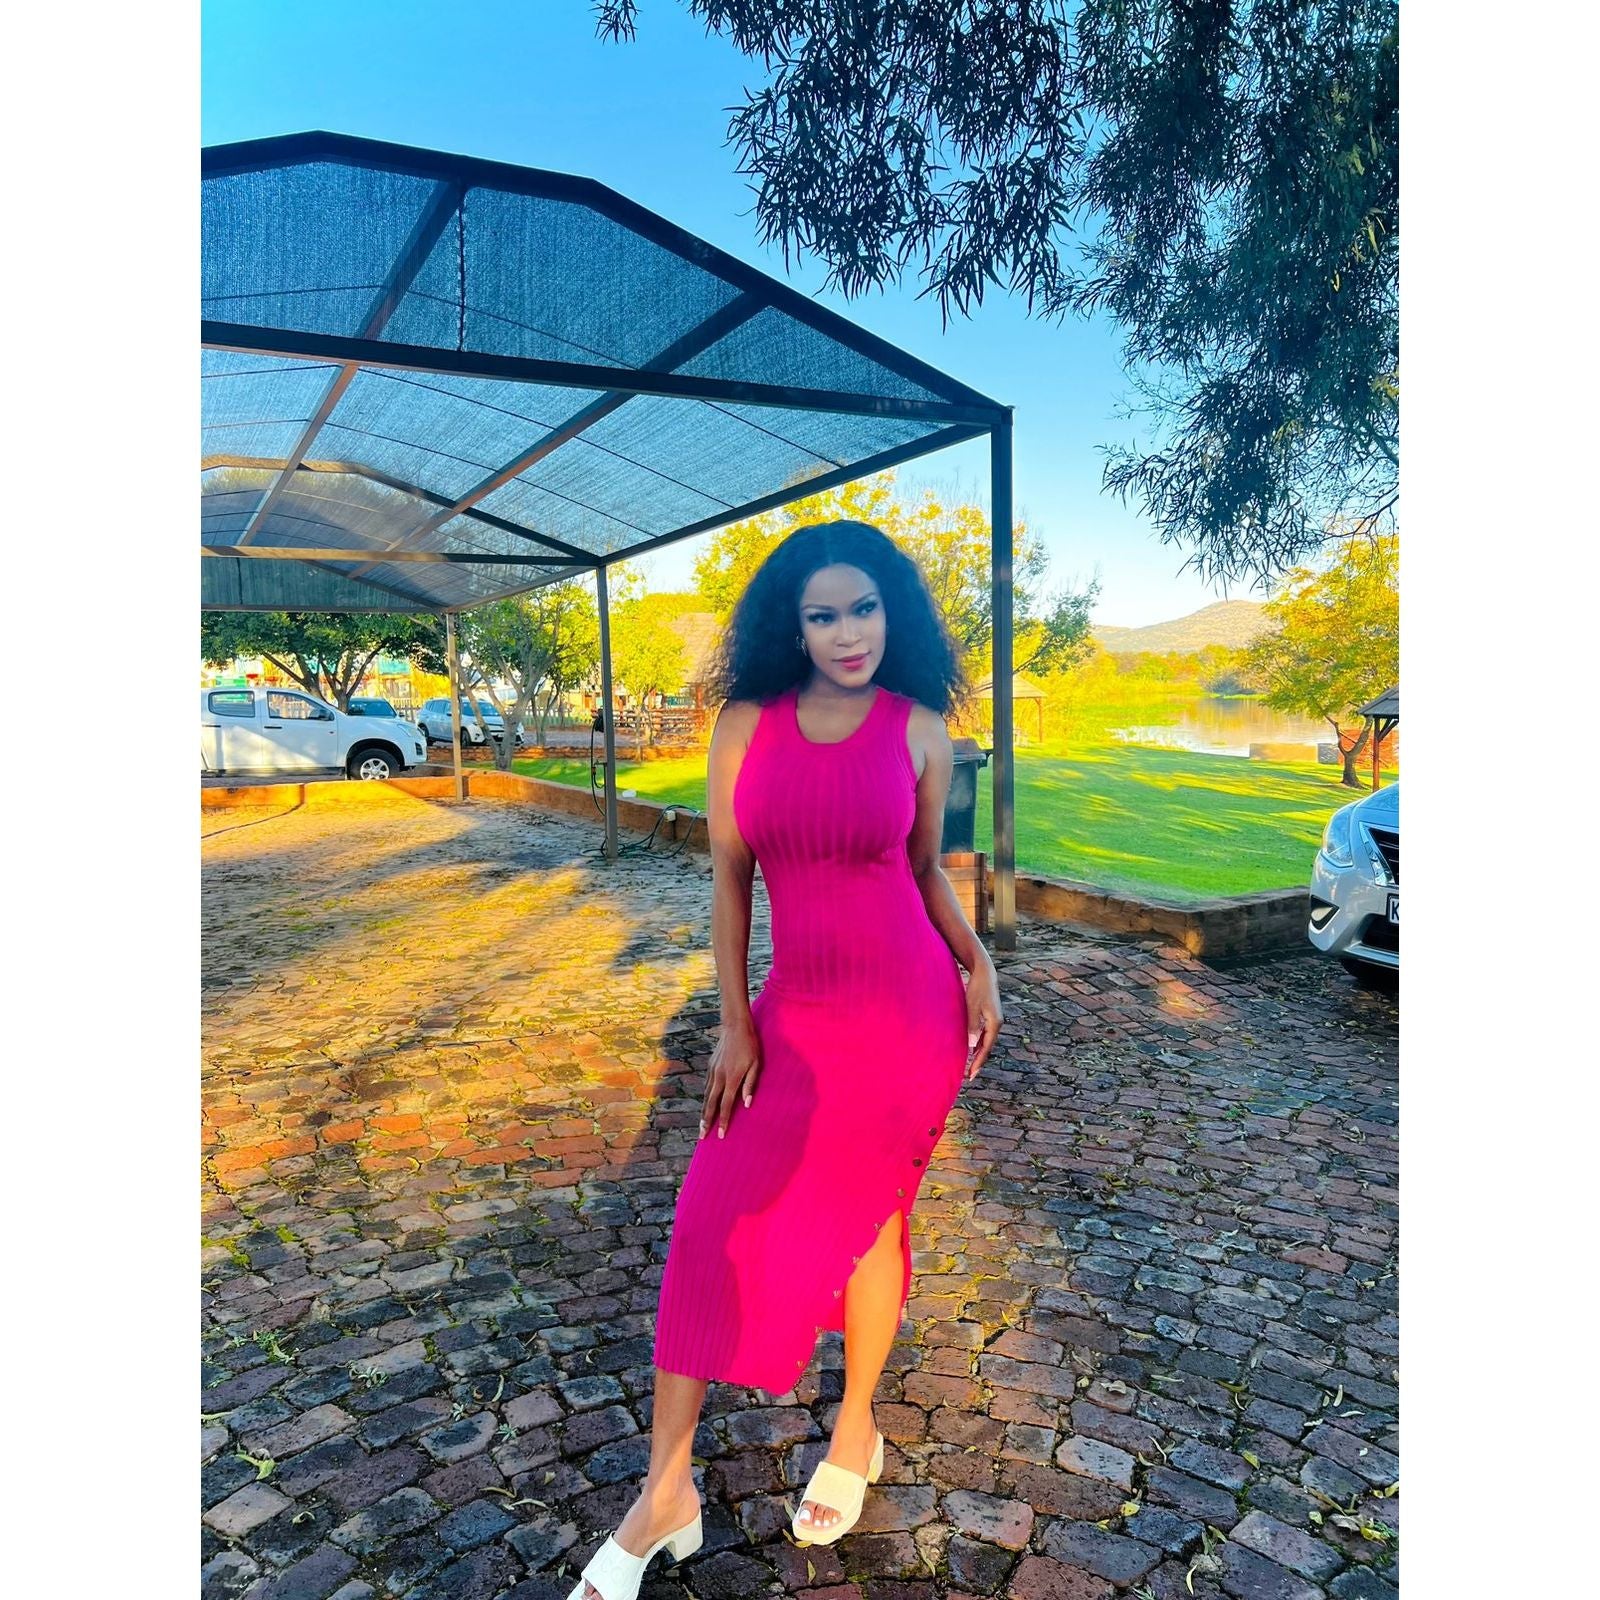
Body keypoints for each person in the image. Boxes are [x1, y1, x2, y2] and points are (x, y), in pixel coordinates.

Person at [568, 520, 1004, 1600]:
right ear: (791, 625)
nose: (848, 633)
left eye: (864, 609)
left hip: (906, 1016)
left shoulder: (918, 728)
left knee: (872, 1223)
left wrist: (977, 958)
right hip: (794, 1013)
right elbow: (729, 877)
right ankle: (666, 1490)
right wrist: (735, 1022)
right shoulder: (744, 725)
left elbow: (925, 871)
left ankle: (855, 1430)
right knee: (707, 1222)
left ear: (892, 613)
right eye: (823, 615)